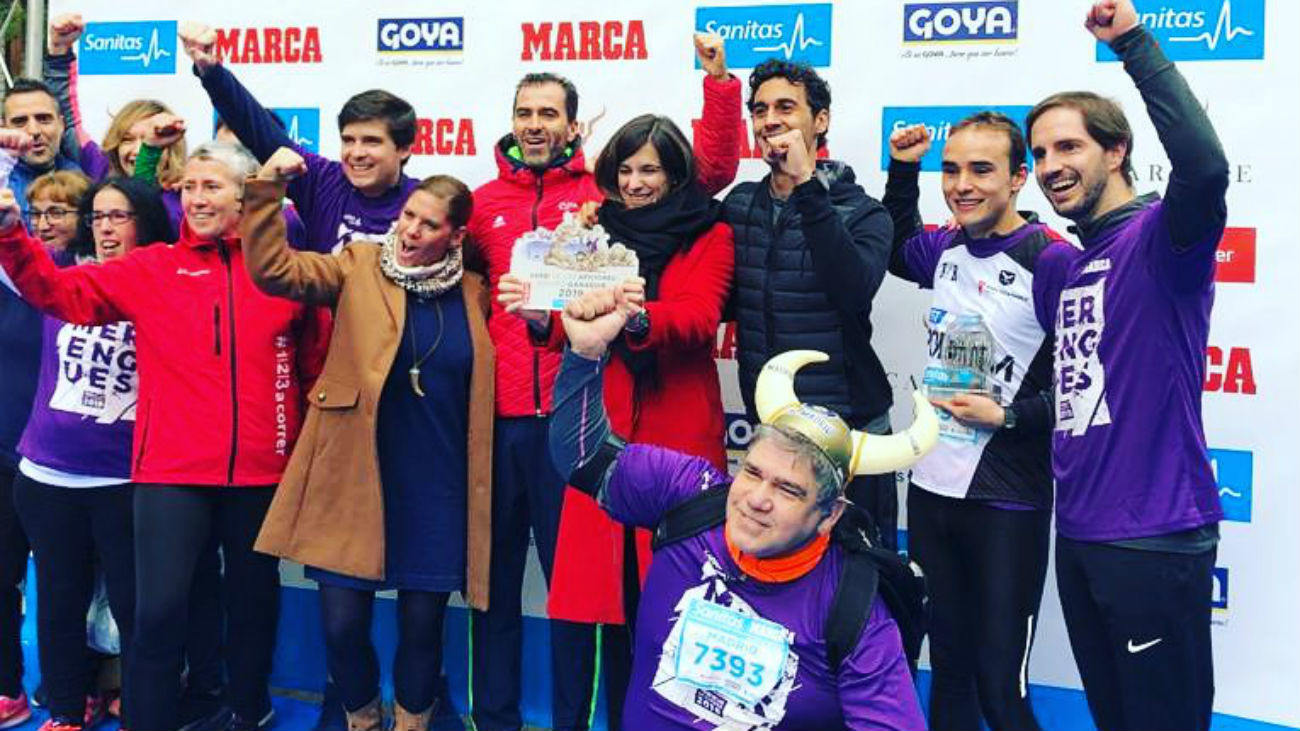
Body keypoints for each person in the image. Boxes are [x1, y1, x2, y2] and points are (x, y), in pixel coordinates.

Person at [0, 141, 330, 731]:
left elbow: (312, 364)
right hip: (171, 477)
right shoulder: (150, 269)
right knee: (155, 616)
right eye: (189, 189)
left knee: (253, 607)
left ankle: (248, 711)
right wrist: (10, 236)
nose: (197, 198)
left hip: (260, 474)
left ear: (243, 195)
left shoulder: (280, 266)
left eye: (212, 187)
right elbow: (58, 294)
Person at [473, 34, 740, 730]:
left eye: (651, 169)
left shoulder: (708, 229)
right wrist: (542, 320)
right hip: (602, 438)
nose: (637, 183)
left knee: (673, 603)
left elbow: (699, 315)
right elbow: (576, 321)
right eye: (626, 168)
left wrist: (632, 314)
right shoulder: (594, 229)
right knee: (605, 607)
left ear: (676, 174)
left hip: (679, 443)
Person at [547, 285, 937, 731]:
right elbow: (580, 458)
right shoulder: (693, 493)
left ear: (829, 515)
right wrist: (586, 351)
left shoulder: (854, 604)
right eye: (752, 472)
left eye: (789, 490)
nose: (757, 499)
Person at [1025, 2, 1229, 729]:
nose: (1050, 166)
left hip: (1152, 535)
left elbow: (1203, 166)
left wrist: (1133, 45)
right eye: (1040, 154)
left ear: (1114, 152)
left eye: (1068, 147)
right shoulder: (1071, 264)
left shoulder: (1161, 241)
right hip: (1080, 534)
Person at [240, 147, 493, 731]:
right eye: (409, 216)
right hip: (354, 476)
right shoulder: (357, 264)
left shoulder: (476, 292)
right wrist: (264, 191)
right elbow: (275, 271)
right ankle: (361, 715)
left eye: (429, 224)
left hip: (439, 484)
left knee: (424, 628)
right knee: (342, 625)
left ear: (455, 236)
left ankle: (412, 720)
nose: (410, 230)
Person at [883, 113, 1078, 730]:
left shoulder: (1050, 261)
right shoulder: (945, 247)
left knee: (1001, 689)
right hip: (933, 490)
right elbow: (895, 250)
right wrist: (904, 171)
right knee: (948, 680)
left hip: (1006, 501)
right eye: (952, 169)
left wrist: (1012, 415)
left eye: (981, 170)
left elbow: (1092, 385)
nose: (962, 184)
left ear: (1020, 177)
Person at [3, 175, 173, 731]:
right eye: (98, 216)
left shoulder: (168, 287)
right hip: (47, 473)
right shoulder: (64, 279)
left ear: (144, 222)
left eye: (119, 216)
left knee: (133, 608)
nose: (105, 228)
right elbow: (20, 262)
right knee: (57, 601)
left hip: (124, 478)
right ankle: (67, 711)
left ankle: (139, 711)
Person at [720, 59, 898, 548]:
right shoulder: (738, 206)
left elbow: (852, 291)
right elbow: (712, 297)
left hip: (851, 436)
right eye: (759, 110)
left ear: (820, 121)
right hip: (775, 434)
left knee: (860, 581)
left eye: (785, 107)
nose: (770, 119)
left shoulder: (864, 213)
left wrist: (807, 188)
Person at [179, 21, 418, 251]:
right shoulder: (320, 181)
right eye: (348, 140)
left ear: (404, 148)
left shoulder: (423, 201)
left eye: (371, 141)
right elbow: (255, 127)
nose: (356, 153)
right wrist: (211, 71)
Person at [3, 79, 81, 216]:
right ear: (3, 129)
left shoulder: (83, 178)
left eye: (43, 119)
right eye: (20, 122)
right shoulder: (2, 183)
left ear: (61, 125)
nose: (34, 131)